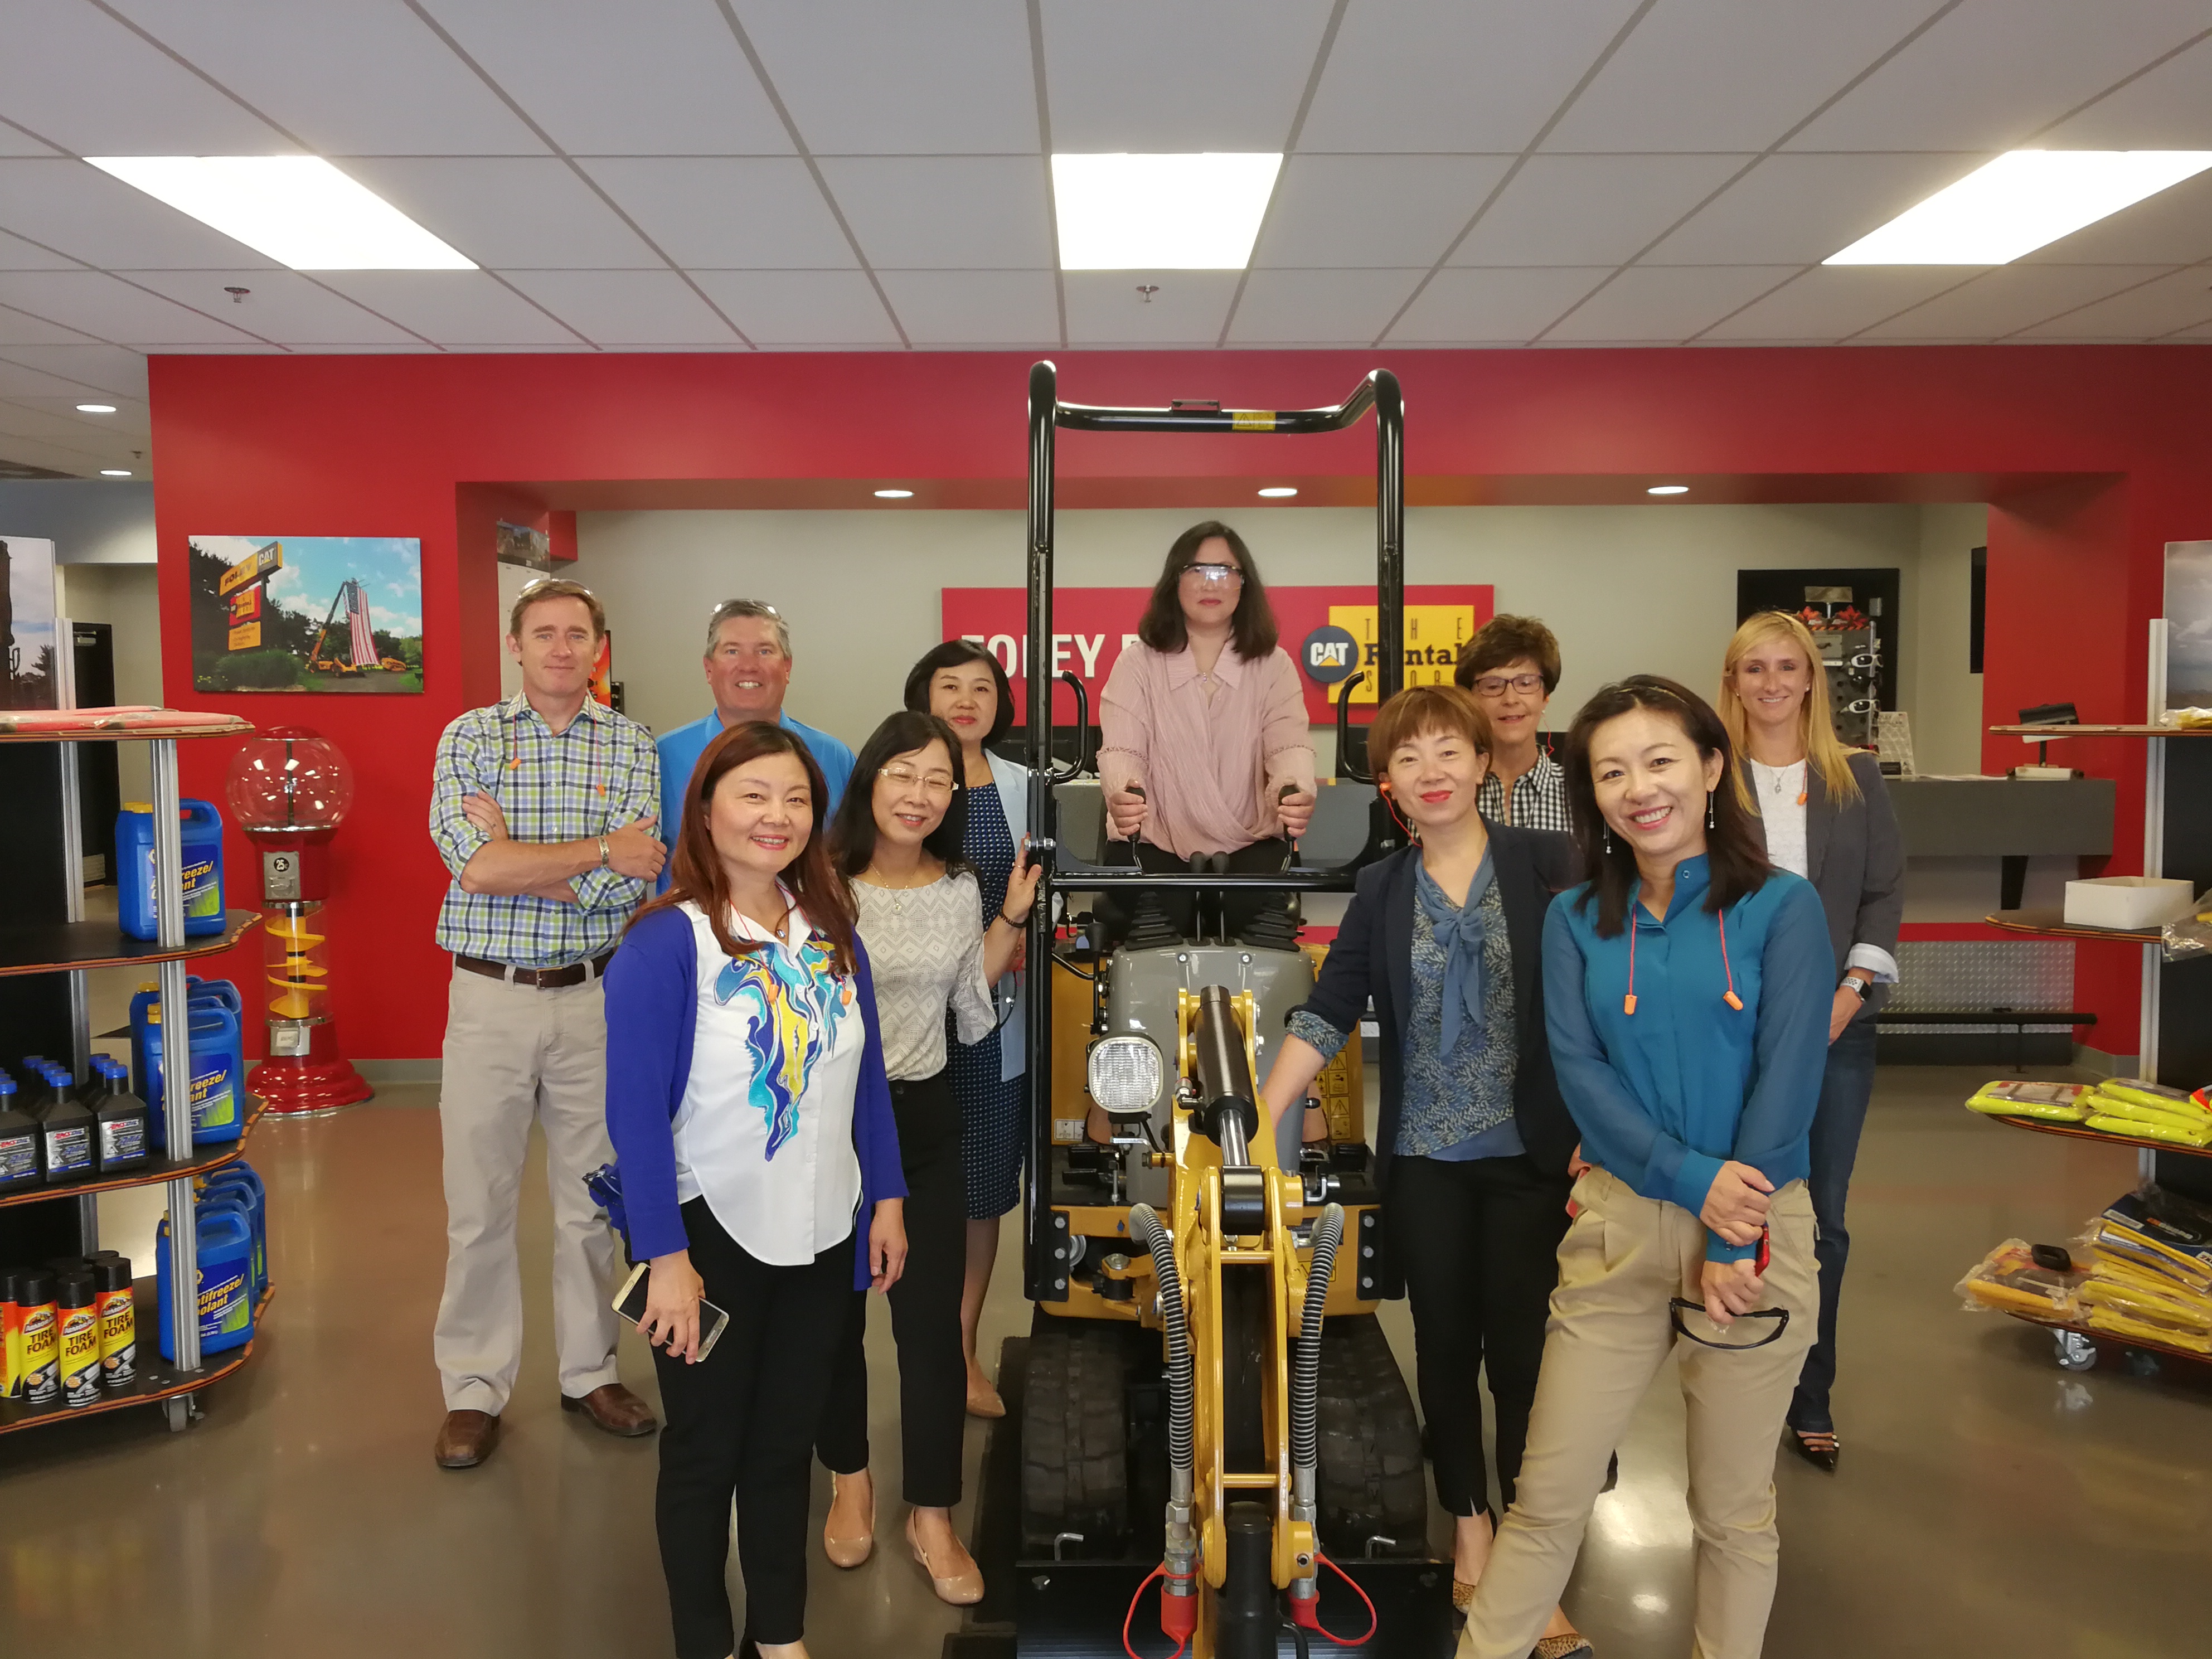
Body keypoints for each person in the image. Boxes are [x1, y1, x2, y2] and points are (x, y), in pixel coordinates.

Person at [1461, 676, 1832, 1659]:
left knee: (1732, 1513)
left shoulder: (1782, 908)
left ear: (1710, 767)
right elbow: (1581, 1077)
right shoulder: (1576, 918)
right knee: (1546, 1498)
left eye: (1660, 761)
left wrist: (1731, 1232)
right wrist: (1687, 1179)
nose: (1639, 790)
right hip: (1618, 1228)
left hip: (1753, 1236)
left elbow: (1790, 1078)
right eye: (1612, 772)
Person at [1257, 685, 1583, 1649]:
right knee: (1443, 1345)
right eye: (1407, 758)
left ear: (1483, 762)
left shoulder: (1549, 864)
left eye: (1448, 751)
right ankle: (1469, 1525)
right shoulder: (1381, 888)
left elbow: (1601, 997)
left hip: (1535, 1154)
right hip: (1427, 1157)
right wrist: (1261, 1114)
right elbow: (1330, 1007)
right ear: (1387, 785)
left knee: (1523, 1360)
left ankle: (1530, 1554)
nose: (1431, 772)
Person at [604, 721, 908, 1659]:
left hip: (824, 1231)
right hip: (708, 1237)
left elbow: (864, 1080)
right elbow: (634, 1116)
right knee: (705, 1456)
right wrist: (665, 1259)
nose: (777, 816)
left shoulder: (830, 930)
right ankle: (704, 1639)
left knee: (783, 1451)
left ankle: (778, 1637)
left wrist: (888, 1198)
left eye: (796, 799)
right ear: (705, 810)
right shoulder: (668, 941)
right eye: (753, 795)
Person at [425, 577, 664, 1471]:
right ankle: (473, 1389)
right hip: (488, 997)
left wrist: (519, 856)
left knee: (591, 1202)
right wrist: (595, 853)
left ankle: (588, 1371)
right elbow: (474, 868)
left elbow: (631, 880)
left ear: (599, 648)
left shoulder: (632, 744)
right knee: (478, 1204)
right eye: (544, 633)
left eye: (577, 634)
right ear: (515, 645)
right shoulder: (469, 737)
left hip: (594, 998)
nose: (562, 648)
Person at [814, 711, 1041, 1605]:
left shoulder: (958, 888)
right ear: (871, 780)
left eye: (938, 780)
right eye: (904, 774)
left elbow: (969, 1008)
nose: (919, 794)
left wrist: (1009, 918)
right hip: (832, 1130)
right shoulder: (821, 887)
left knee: (932, 1329)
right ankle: (850, 1477)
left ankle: (933, 1512)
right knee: (835, 1319)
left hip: (926, 1120)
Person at [1718, 612, 1903, 1473]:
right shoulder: (1713, 777)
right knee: (1739, 1207)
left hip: (1836, 1031)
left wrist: (1850, 992)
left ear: (1810, 679)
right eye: (1754, 668)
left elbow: (1883, 893)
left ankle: (1811, 1395)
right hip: (1733, 1030)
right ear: (1733, 681)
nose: (1772, 683)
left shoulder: (1854, 776)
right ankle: (1738, 1378)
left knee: (1823, 1217)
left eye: (1787, 667)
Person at [904, 640, 1030, 1418]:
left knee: (981, 1188)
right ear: (923, 696)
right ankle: (919, 1351)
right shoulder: (904, 780)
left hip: (996, 1014)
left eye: (981, 687)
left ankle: (961, 1352)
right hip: (913, 1016)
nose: (965, 700)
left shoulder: (1024, 787)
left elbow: (1049, 889)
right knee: (915, 1189)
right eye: (949, 685)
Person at [1097, 520, 1316, 938]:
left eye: (1224, 571)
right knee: (1159, 913)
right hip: (1154, 838)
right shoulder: (1136, 663)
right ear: (1174, 581)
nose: (1210, 583)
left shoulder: (1274, 665)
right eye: (1196, 570)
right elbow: (1123, 752)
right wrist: (1122, 794)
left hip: (1251, 839)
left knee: (1256, 908)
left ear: (1243, 584)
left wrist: (1295, 790)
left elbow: (1288, 747)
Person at [656, 599, 856, 891]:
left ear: (787, 668)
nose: (749, 666)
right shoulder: (661, 757)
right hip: (691, 918)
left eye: (764, 651)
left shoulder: (835, 757)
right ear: (709, 669)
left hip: (807, 918)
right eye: (732, 651)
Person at [1455, 613, 1570, 831]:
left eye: (1525, 683)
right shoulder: (1449, 791)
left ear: (1545, 696)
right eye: (1492, 686)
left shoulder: (1579, 795)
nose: (1510, 699)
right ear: (1470, 699)